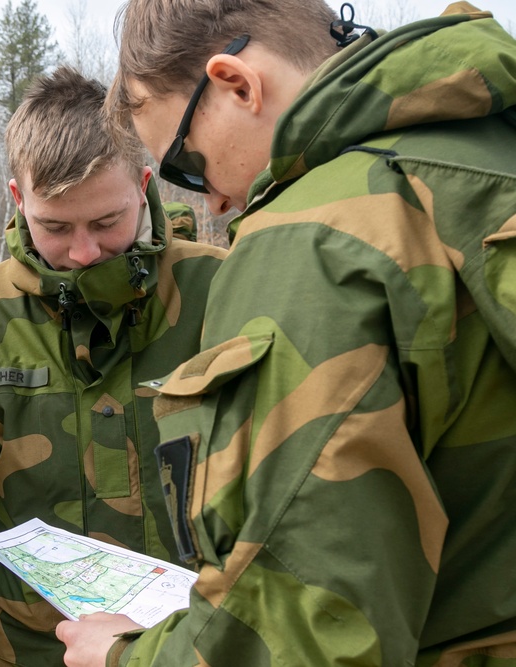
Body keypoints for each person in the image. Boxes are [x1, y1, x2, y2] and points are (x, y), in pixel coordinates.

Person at [57, 1, 516, 665]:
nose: (209, 201)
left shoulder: (315, 237)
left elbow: (311, 625)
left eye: (187, 165)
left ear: (237, 83)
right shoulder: (485, 156)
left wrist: (122, 656)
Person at [0, 66, 226, 666]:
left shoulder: (219, 290)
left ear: (144, 183)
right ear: (18, 200)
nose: (83, 253)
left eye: (106, 222)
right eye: (55, 226)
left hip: (190, 646)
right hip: (23, 647)